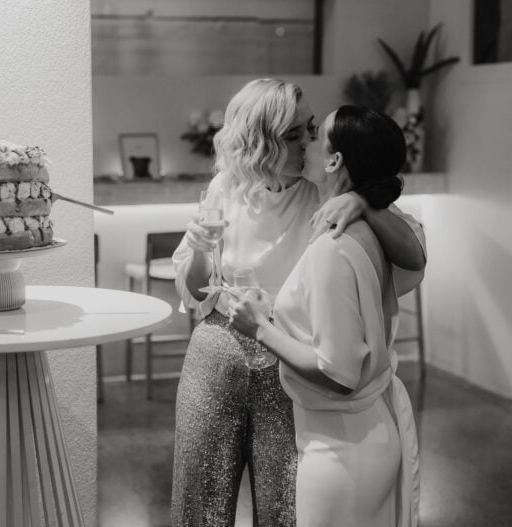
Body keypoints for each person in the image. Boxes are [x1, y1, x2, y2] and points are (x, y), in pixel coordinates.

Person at [170, 79, 425, 526]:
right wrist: (196, 249)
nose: (307, 142)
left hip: (291, 365)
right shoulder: (226, 187)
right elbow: (197, 291)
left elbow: (413, 254)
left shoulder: (324, 190)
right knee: (199, 502)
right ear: (260, 143)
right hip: (217, 353)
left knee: (285, 506)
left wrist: (362, 202)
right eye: (293, 135)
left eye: (310, 129)